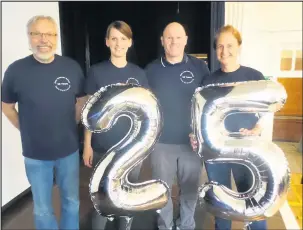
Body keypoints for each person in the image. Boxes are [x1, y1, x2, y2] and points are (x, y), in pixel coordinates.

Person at [1, 15, 86, 230]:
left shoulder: (71, 67)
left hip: (68, 150)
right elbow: (7, 106)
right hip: (35, 154)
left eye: (49, 34)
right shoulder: (15, 71)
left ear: (56, 37)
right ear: (29, 38)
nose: (43, 39)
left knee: (72, 202)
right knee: (42, 208)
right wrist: (26, 129)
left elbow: (81, 101)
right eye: (37, 33)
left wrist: (70, 124)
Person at [190, 25, 267, 230]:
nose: (225, 51)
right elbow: (201, 112)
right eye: (220, 46)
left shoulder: (254, 76)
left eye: (230, 45)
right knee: (222, 206)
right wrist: (196, 134)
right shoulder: (209, 80)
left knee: (253, 204)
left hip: (246, 150)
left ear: (239, 47)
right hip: (218, 152)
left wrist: (258, 127)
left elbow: (267, 107)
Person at [83, 21, 149, 230]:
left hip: (132, 148)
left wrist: (145, 145)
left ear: (129, 42)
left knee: (126, 198)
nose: (118, 43)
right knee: (102, 199)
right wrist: (87, 144)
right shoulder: (96, 72)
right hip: (104, 147)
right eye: (114, 38)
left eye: (123, 39)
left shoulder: (139, 74)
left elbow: (146, 112)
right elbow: (90, 112)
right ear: (107, 42)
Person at [145, 22, 210, 230]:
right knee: (161, 192)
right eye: (169, 37)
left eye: (178, 37)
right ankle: (165, 226)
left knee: (190, 191)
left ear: (186, 40)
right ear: (162, 41)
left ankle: (186, 226)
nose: (174, 41)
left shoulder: (200, 68)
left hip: (191, 143)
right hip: (161, 143)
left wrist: (202, 134)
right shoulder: (151, 70)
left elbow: (207, 103)